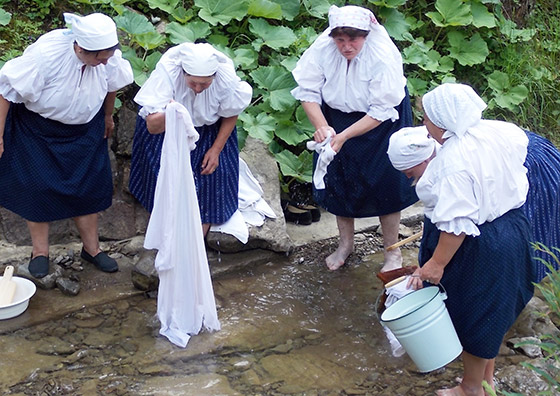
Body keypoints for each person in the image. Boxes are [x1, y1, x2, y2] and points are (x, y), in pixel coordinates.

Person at [390, 83, 536, 396]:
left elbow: (456, 225)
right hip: (513, 228)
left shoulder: (454, 161)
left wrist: (435, 264)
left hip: (481, 244)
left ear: (442, 120)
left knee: (473, 314)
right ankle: (486, 381)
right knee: (493, 310)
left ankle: (470, 389)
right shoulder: (499, 131)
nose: (424, 127)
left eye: (426, 119)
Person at [0, 13, 133, 278]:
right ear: (80, 48)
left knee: (89, 189)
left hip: (85, 130)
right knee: (37, 189)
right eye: (100, 57)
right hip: (38, 130)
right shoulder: (46, 56)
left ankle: (92, 249)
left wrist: (107, 116)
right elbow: (6, 91)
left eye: (108, 55)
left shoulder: (105, 57)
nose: (105, 61)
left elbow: (112, 85)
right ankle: (40, 252)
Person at [291, 5, 418, 272]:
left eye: (353, 40)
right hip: (336, 115)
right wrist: (324, 127)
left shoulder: (381, 56)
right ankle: (345, 245)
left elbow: (383, 109)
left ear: (366, 35)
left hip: (382, 119)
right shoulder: (323, 50)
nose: (346, 46)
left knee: (386, 184)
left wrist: (345, 136)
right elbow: (308, 91)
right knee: (339, 178)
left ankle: (391, 253)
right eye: (340, 40)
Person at [388, 127, 560, 282]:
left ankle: (521, 284)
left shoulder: (450, 170)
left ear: (424, 160)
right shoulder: (423, 143)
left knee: (528, 232)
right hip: (500, 155)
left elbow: (457, 222)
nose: (408, 178)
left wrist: (437, 263)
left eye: (409, 172)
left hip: (528, 160)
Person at [129, 42, 252, 236]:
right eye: (193, 82)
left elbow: (231, 113)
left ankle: (195, 244)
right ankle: (165, 233)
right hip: (166, 131)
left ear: (214, 75)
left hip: (209, 130)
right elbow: (152, 126)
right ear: (183, 73)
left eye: (204, 83)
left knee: (210, 182)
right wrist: (175, 113)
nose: (198, 88)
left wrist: (216, 150)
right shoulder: (168, 74)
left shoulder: (225, 79)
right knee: (163, 181)